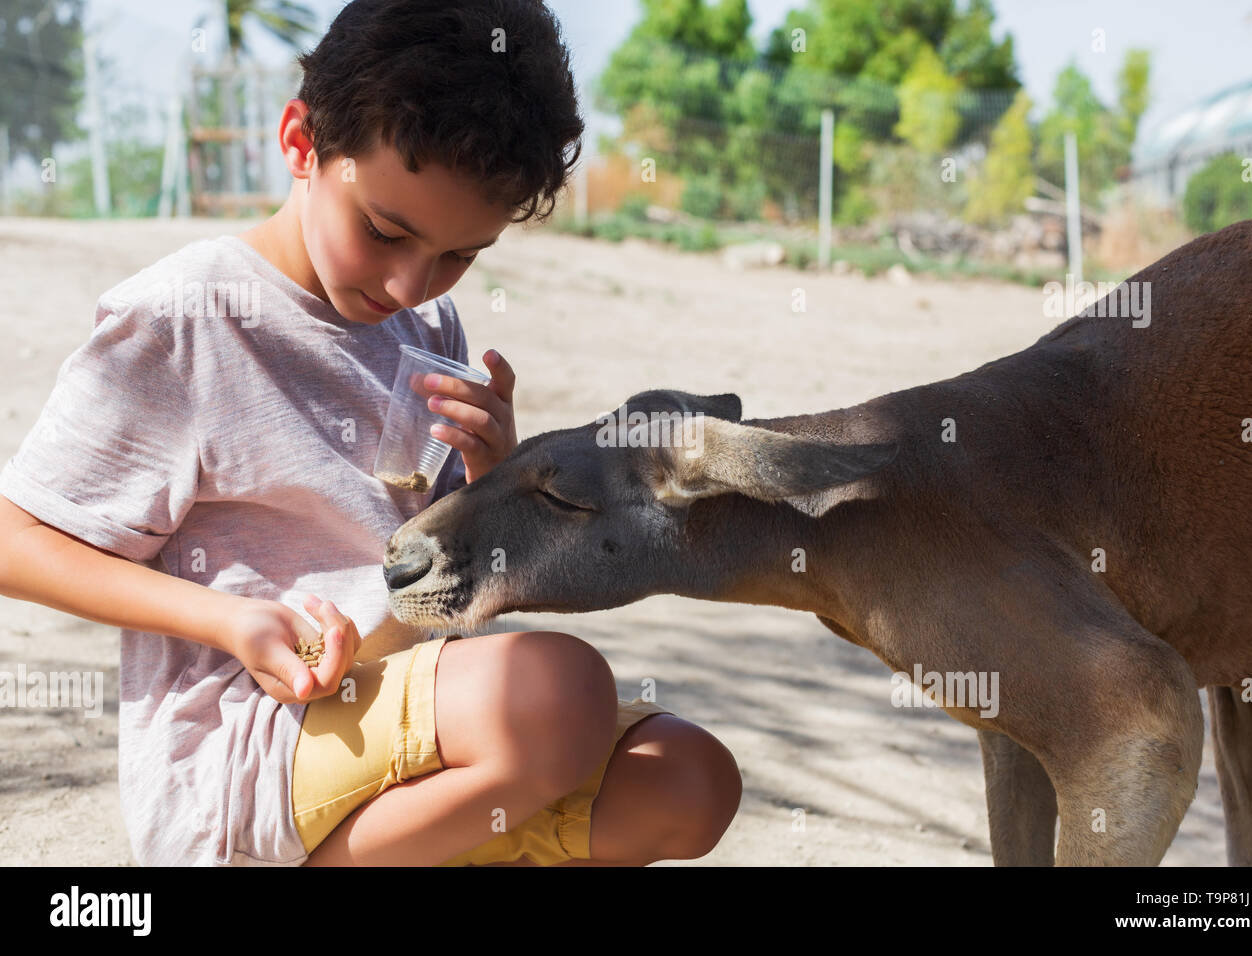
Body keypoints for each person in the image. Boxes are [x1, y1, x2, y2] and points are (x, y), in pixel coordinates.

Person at [0, 0, 741, 866]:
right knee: (557, 690)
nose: (408, 283)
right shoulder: (184, 315)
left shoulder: (432, 334)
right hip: (258, 743)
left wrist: (499, 476)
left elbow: (456, 575)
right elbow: (16, 541)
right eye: (385, 230)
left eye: (460, 254)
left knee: (690, 777)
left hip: (429, 725)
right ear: (301, 142)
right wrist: (230, 620)